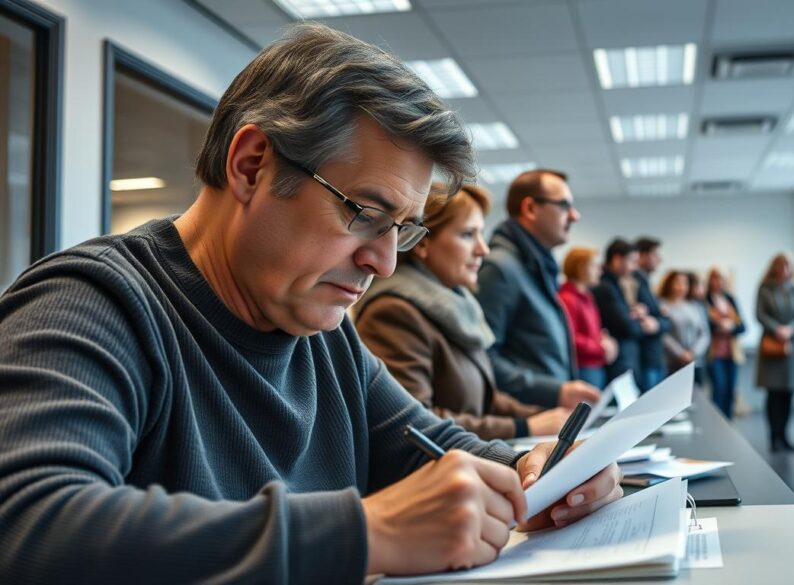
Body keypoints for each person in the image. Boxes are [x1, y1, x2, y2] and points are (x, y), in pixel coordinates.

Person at [0, 25, 622, 582]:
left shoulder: (324, 333)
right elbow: (27, 523)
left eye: (401, 230)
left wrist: (538, 472)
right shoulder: (91, 303)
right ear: (251, 166)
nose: (383, 262)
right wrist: (367, 532)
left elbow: (424, 443)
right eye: (365, 214)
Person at [355, 184, 570, 440]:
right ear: (422, 243)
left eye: (481, 234)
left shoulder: (459, 306)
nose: (483, 249)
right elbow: (412, 424)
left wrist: (541, 416)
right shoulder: (393, 313)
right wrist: (523, 427)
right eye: (468, 234)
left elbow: (485, 399)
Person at [474, 170, 601, 409]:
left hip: (547, 415)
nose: (575, 215)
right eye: (564, 205)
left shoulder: (536, 267)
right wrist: (554, 391)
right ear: (530, 208)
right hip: (528, 418)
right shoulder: (500, 269)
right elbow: (483, 359)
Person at [756, 253, 794, 452]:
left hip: (791, 347)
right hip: (771, 346)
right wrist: (777, 328)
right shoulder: (765, 289)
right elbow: (760, 314)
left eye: (787, 265)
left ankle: (785, 435)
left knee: (788, 393)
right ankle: (774, 436)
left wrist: (790, 329)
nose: (783, 268)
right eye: (779, 264)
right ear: (773, 267)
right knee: (773, 393)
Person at [593, 239, 660, 385]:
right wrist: (643, 322)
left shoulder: (617, 283)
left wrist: (633, 313)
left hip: (625, 357)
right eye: (632, 261)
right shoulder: (606, 287)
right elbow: (626, 326)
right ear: (617, 260)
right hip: (619, 359)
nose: (635, 267)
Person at [559, 247, 618, 389]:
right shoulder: (567, 299)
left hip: (595, 365)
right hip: (583, 367)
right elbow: (570, 338)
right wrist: (601, 348)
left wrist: (605, 340)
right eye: (594, 266)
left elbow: (592, 330)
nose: (600, 271)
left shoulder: (587, 296)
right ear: (581, 268)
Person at [706, 267, 746, 419]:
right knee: (719, 388)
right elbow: (703, 325)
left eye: (720, 279)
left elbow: (743, 326)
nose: (717, 282)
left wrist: (731, 327)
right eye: (714, 278)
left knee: (730, 390)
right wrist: (718, 326)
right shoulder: (705, 300)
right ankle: (716, 422)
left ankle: (728, 423)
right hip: (714, 352)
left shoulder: (730, 299)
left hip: (732, 353)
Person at [657, 270, 710, 383]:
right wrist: (680, 353)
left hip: (695, 360)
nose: (681, 286)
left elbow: (704, 333)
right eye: (677, 282)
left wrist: (693, 353)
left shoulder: (695, 306)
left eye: (685, 283)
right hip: (671, 362)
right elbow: (663, 333)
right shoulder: (661, 304)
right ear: (669, 283)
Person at [633, 237, 671, 391]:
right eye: (655, 254)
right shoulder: (634, 282)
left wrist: (659, 321)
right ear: (642, 256)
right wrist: (661, 319)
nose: (660, 259)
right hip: (645, 357)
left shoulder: (646, 283)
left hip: (654, 356)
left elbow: (663, 320)